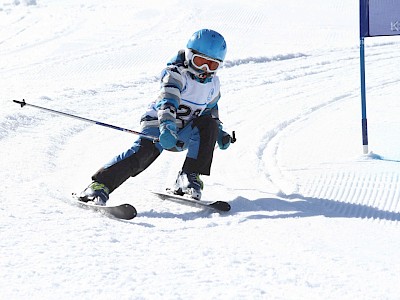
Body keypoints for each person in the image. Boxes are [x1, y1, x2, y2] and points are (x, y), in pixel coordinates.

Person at [78, 29, 233, 205]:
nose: (204, 69)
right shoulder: (175, 74)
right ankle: (99, 186)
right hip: (158, 124)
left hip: (184, 131)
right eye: (200, 62)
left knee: (208, 125)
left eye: (212, 65)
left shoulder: (213, 84)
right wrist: (166, 126)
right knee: (144, 153)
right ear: (189, 56)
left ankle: (187, 179)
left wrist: (219, 133)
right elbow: (168, 102)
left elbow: (210, 111)